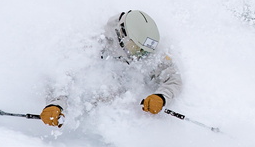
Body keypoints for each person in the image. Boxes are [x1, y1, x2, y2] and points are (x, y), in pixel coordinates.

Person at [40, 9, 183, 127]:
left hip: (123, 127)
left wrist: (161, 97)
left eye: (144, 51)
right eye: (136, 49)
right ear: (122, 35)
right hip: (84, 124)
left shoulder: (148, 53)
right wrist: (55, 105)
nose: (140, 55)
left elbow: (173, 78)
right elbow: (62, 77)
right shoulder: (91, 44)